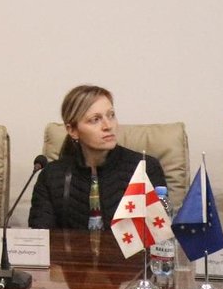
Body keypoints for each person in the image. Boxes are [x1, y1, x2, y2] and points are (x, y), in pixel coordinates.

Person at [29, 85, 166, 230]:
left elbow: (159, 233)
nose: (108, 125)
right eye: (95, 119)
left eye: (111, 115)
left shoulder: (145, 168)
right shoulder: (51, 176)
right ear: (73, 130)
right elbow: (40, 237)